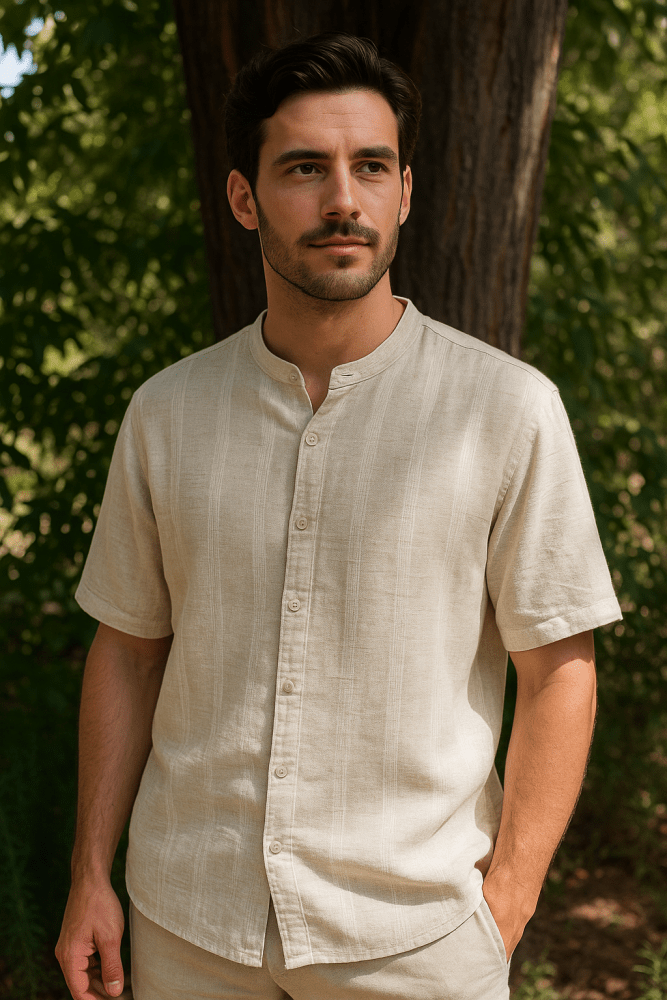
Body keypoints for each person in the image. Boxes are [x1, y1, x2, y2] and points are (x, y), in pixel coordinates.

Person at [55, 31, 622, 1000]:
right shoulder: (166, 413)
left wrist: (508, 901)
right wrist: (88, 876)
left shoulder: (507, 409)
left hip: (414, 936)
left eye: (370, 167)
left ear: (404, 192)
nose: (342, 201)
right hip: (187, 923)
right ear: (244, 198)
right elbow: (129, 650)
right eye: (304, 168)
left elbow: (558, 669)